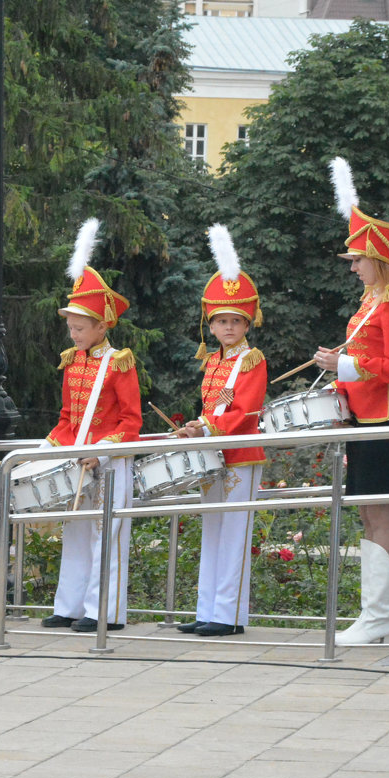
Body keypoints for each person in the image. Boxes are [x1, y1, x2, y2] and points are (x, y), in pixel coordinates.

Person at [312, 157, 389, 645]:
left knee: (380, 512)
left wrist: (345, 368)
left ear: (378, 259)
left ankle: (380, 619)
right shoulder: (370, 300)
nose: (352, 266)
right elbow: (359, 357)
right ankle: (373, 616)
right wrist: (340, 397)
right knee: (365, 510)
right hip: (362, 415)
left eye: (357, 259)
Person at [39, 218, 141, 633]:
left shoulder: (119, 363)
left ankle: (106, 612)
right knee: (75, 533)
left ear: (103, 326)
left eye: (80, 327)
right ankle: (70, 606)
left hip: (108, 461)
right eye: (70, 327)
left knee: (108, 537)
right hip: (76, 458)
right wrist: (48, 450)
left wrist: (99, 451)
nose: (74, 333)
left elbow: (131, 421)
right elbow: (67, 418)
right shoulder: (72, 361)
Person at [173, 224, 267, 638]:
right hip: (214, 452)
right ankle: (208, 609)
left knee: (233, 537)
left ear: (248, 324)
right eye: (221, 322)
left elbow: (244, 410)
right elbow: (215, 409)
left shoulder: (251, 360)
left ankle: (228, 617)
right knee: (212, 533)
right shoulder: (213, 362)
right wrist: (197, 426)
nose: (228, 328)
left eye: (236, 321)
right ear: (210, 327)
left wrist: (206, 426)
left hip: (240, 455)